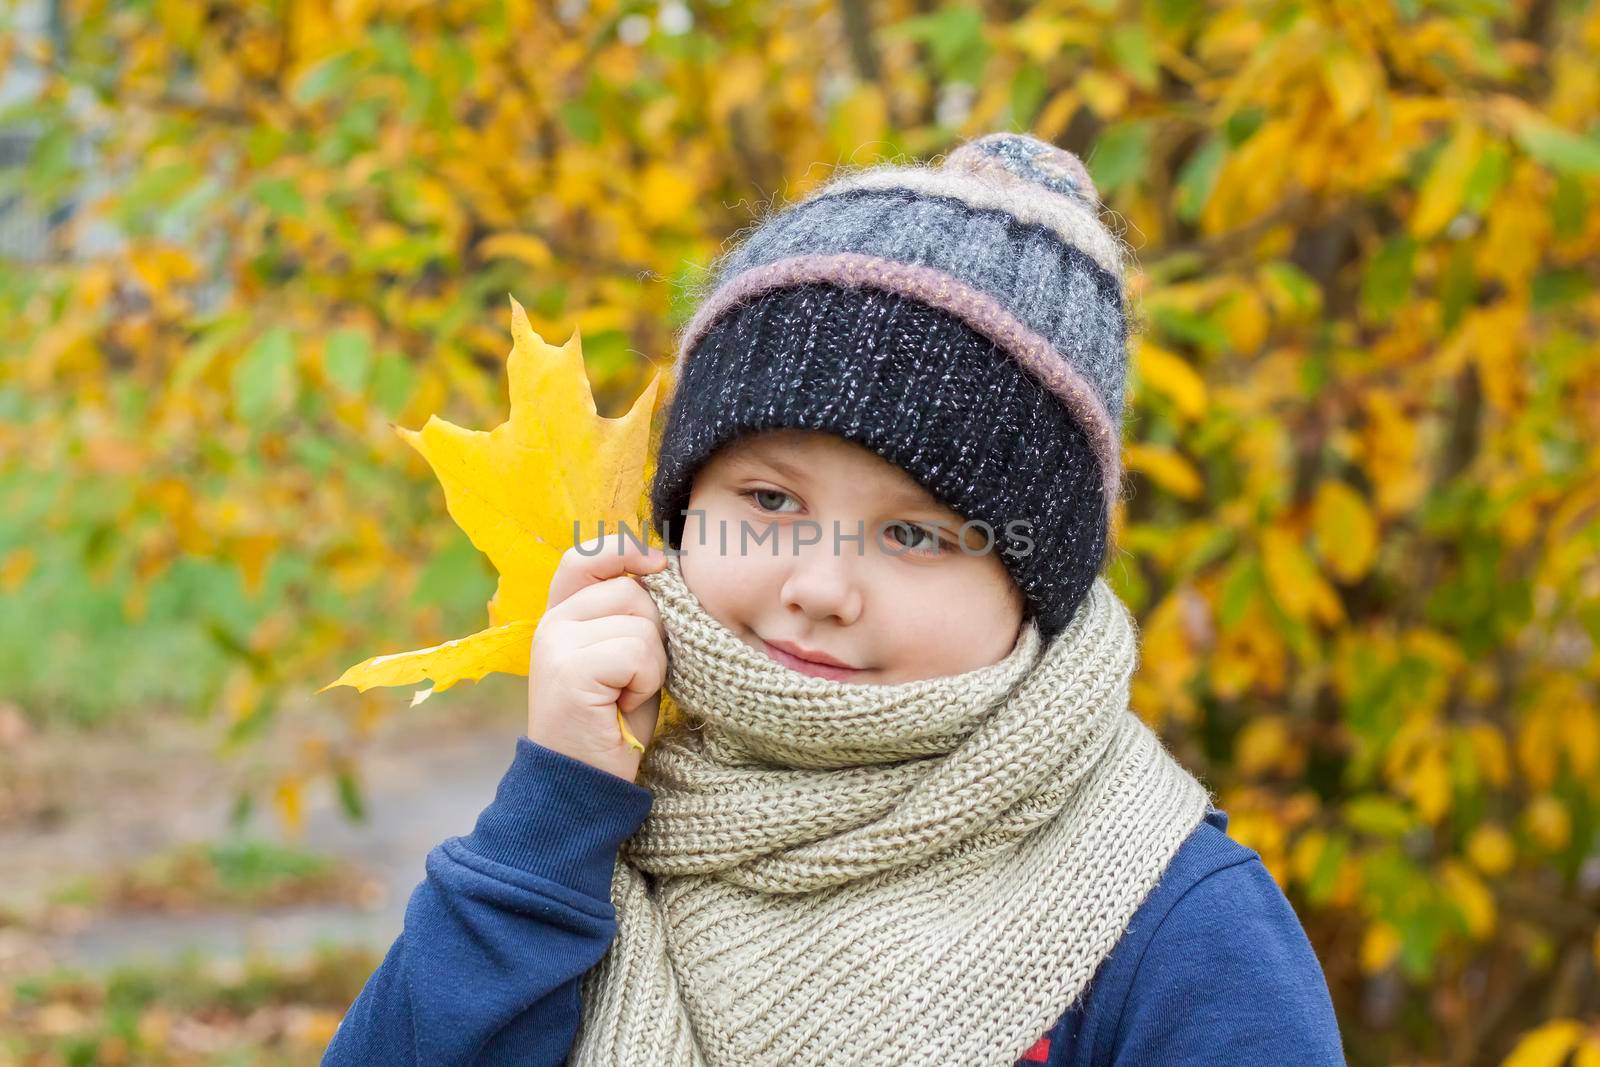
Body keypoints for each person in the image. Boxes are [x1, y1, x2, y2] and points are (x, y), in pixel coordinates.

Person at [322, 131, 1347, 1065]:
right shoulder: (591, 829)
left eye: (914, 533)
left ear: (1035, 584)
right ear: (682, 507)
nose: (817, 586)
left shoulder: (1168, 919)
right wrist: (554, 811)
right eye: (767, 500)